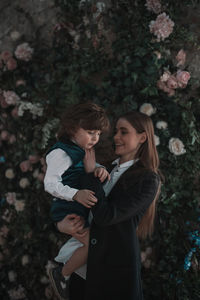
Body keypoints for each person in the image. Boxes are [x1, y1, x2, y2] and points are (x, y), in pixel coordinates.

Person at [61, 110, 161, 300]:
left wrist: (90, 174)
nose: (116, 137)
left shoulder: (147, 180)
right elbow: (73, 206)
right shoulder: (103, 168)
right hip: (82, 270)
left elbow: (106, 216)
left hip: (114, 273)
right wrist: (63, 225)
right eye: (116, 131)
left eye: (124, 132)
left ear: (142, 137)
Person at [44, 102, 110, 300]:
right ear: (73, 128)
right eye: (90, 132)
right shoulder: (61, 152)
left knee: (94, 245)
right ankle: (61, 274)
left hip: (77, 209)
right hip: (66, 209)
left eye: (98, 133)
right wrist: (75, 194)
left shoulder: (81, 151)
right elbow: (50, 183)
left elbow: (85, 170)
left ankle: (65, 275)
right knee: (94, 245)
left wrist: (99, 169)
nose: (95, 138)